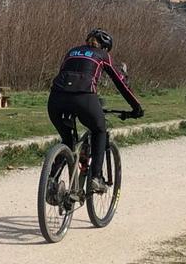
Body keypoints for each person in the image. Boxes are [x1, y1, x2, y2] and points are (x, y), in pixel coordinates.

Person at [48, 28, 143, 193]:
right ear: (105, 47)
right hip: (84, 97)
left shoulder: (72, 51)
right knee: (99, 130)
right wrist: (137, 108)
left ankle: (51, 183)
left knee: (68, 141)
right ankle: (96, 178)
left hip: (56, 99)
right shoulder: (102, 55)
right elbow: (121, 83)